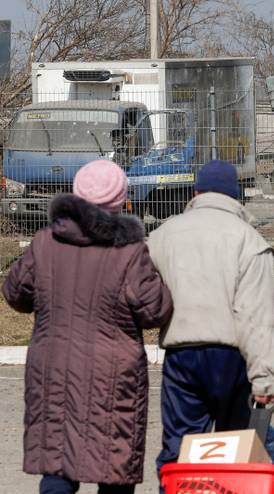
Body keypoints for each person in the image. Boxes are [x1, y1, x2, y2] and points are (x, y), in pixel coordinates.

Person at [2, 160, 172, 494]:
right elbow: (154, 310)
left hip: (54, 367)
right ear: (121, 200)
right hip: (113, 373)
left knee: (57, 458)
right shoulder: (129, 250)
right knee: (114, 462)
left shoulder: (45, 242)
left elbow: (14, 293)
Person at [148, 160, 274, 477]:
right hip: (231, 358)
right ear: (236, 197)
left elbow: (144, 295)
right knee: (242, 448)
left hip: (181, 356)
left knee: (179, 449)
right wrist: (264, 378)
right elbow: (255, 317)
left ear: (195, 192)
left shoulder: (162, 235)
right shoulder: (249, 241)